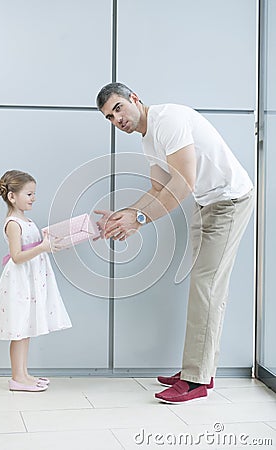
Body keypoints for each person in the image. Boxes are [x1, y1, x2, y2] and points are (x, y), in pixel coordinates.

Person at [95, 82, 254, 404]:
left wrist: (139, 220)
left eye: (119, 109)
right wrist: (126, 214)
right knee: (204, 287)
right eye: (109, 117)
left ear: (135, 99)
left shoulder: (168, 120)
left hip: (229, 201)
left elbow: (182, 183)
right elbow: (158, 190)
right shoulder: (148, 139)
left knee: (205, 287)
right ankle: (199, 368)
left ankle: (196, 380)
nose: (117, 119)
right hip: (204, 203)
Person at [0, 170, 72, 392]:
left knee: (25, 328)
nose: (33, 198)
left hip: (30, 279)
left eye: (33, 193)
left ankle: (24, 374)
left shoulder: (26, 220)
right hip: (19, 281)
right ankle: (17, 378)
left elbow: (34, 248)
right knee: (18, 329)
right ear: (12, 196)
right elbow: (17, 256)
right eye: (29, 194)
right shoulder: (13, 223)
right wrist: (42, 247)